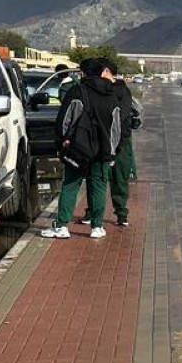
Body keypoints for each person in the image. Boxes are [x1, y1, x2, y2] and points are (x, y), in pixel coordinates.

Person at [42, 57, 121, 240]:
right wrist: (112, 151)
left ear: (83, 73)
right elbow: (116, 127)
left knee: (71, 185)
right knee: (99, 187)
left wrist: (61, 142)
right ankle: (97, 227)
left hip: (78, 149)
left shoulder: (77, 91)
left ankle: (62, 226)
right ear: (102, 72)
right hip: (103, 151)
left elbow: (64, 120)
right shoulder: (111, 94)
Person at [109, 68, 140, 228]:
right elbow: (137, 111)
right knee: (119, 179)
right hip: (121, 140)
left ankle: (94, 216)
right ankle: (121, 214)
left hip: (111, 139)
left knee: (99, 180)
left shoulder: (115, 90)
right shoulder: (124, 91)